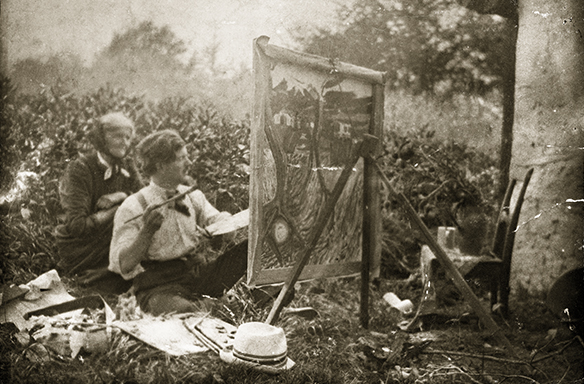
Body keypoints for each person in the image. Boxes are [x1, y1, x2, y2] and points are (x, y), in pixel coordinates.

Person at [109, 129, 248, 315]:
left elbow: (216, 219)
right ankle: (215, 307)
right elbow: (123, 264)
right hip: (159, 284)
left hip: (196, 274)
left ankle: (222, 303)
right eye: (182, 158)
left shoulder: (192, 196)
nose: (189, 163)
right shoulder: (133, 206)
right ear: (161, 166)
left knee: (248, 249)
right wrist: (147, 231)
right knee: (183, 310)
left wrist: (227, 223)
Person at [55, 112, 142, 293]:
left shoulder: (127, 165)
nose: (124, 142)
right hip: (82, 248)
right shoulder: (81, 168)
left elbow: (144, 199)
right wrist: (118, 210)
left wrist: (121, 195)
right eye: (117, 136)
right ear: (101, 138)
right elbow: (78, 226)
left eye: (127, 137)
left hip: (111, 240)